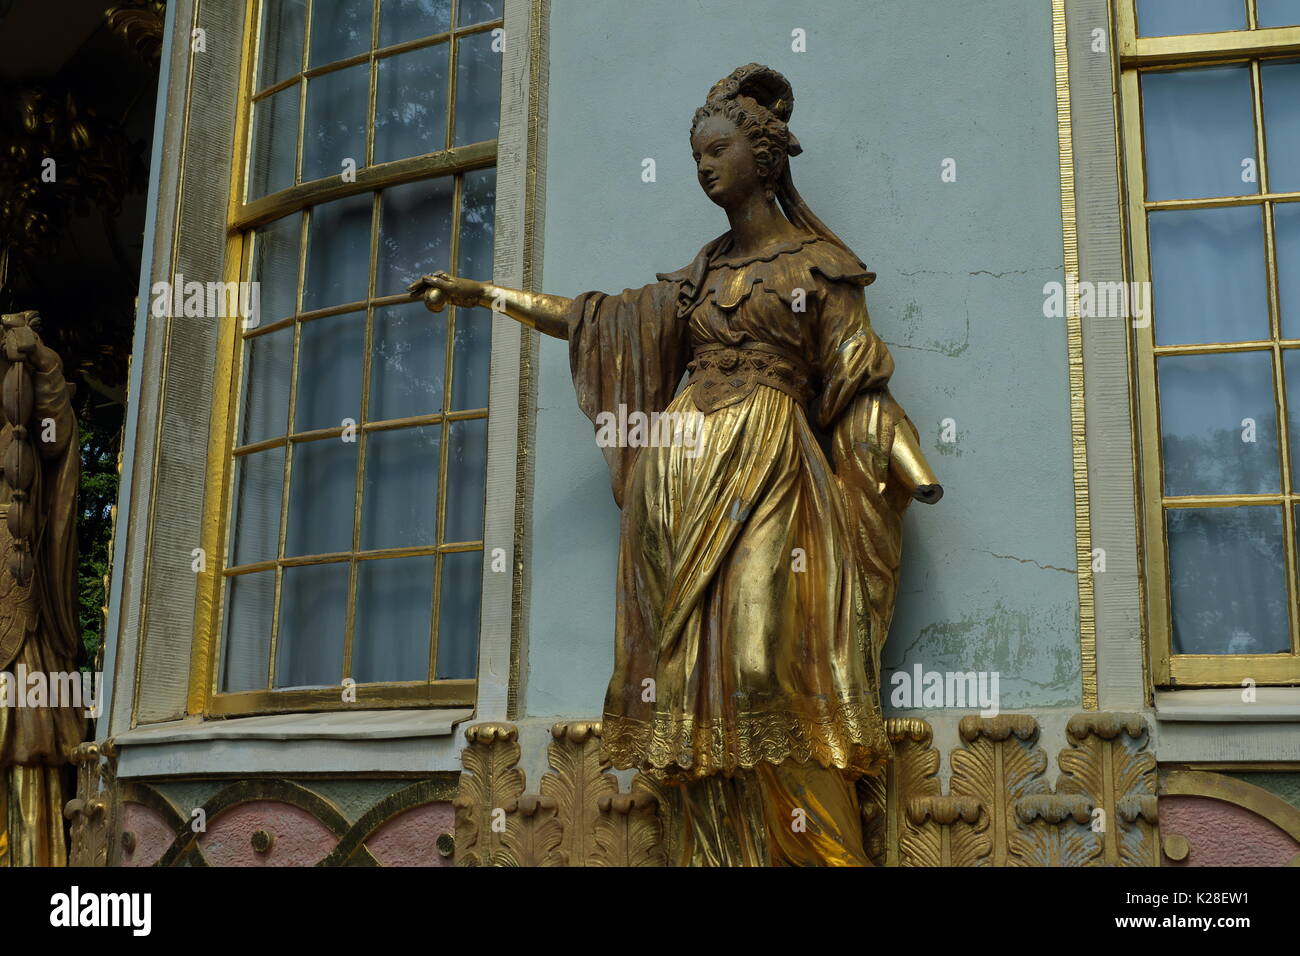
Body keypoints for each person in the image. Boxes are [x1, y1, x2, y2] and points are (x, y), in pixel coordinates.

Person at [411, 63, 941, 866]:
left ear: (762, 158)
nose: (703, 166)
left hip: (769, 471)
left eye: (717, 149)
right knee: (688, 676)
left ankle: (826, 856)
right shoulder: (697, 282)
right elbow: (594, 319)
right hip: (677, 481)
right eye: (696, 154)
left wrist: (898, 461)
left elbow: (860, 386)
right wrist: (486, 294)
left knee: (766, 668)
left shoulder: (820, 268)